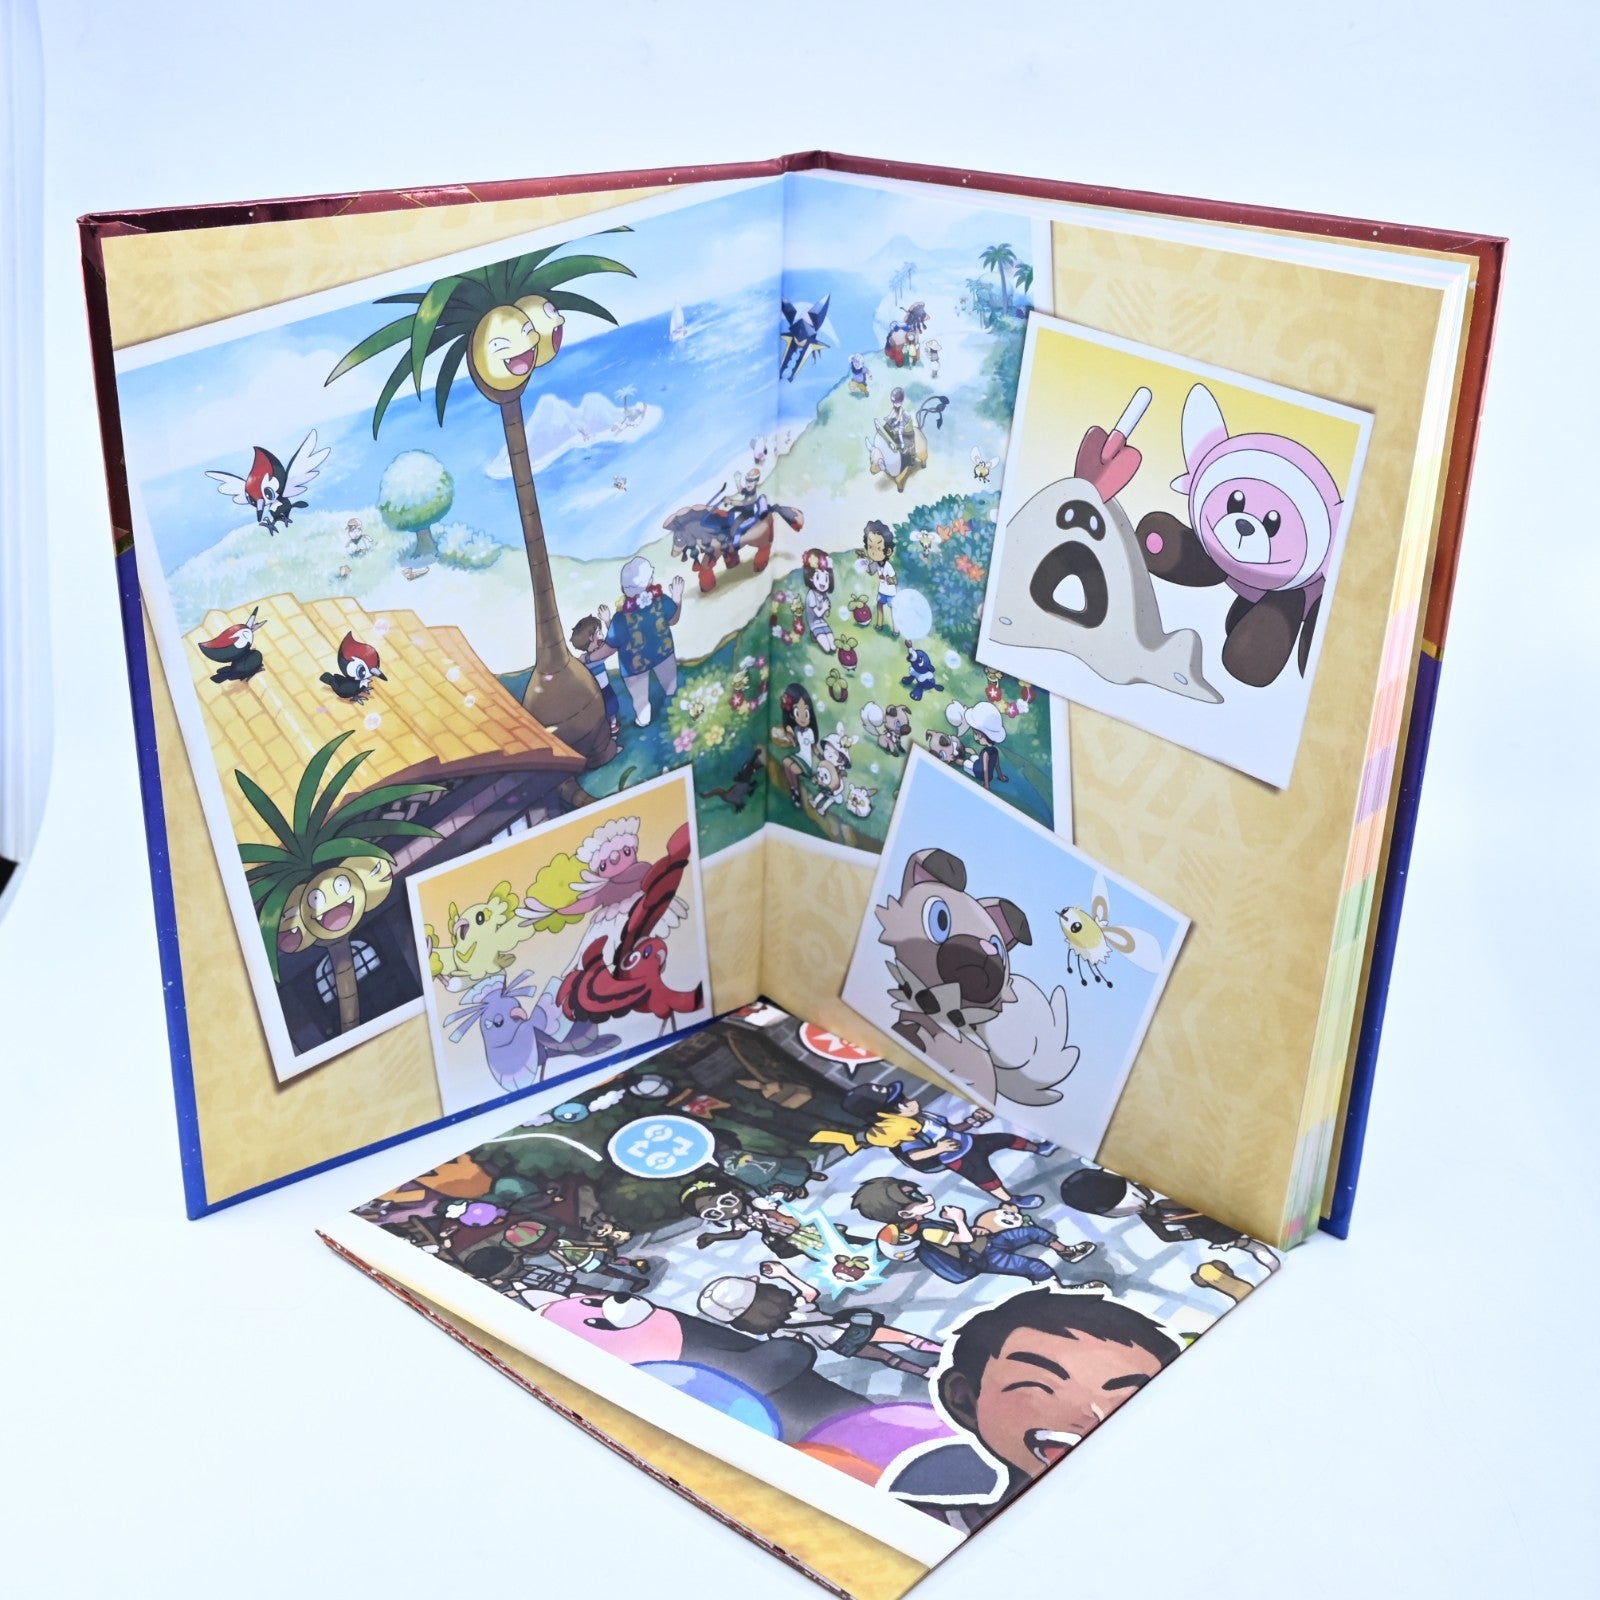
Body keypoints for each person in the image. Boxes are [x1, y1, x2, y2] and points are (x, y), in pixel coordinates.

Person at [697, 1261, 942, 1376]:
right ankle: (942, 1350)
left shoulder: (777, 1332)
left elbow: (797, 1344)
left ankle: (924, 1372)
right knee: (905, 1338)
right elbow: (810, 1292)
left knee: (886, 1358)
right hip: (849, 1329)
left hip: (837, 1345)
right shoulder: (797, 1306)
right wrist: (784, 1274)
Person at [1059, 1168, 1281, 1273]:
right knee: (1238, 1239)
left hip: (1233, 1203)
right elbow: (1165, 1236)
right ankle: (1257, 1249)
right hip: (1207, 1227)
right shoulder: (1150, 1213)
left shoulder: (1153, 1178)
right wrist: (1195, 1233)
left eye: (1134, 1200)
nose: (1138, 1208)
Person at [601, 557, 685, 727]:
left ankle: (643, 718)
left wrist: (607, 622)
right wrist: (677, 597)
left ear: (624, 589)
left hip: (634, 665)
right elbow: (673, 619)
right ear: (649, 582)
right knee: (671, 687)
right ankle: (673, 705)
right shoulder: (660, 600)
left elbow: (613, 643)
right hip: (663, 652)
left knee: (641, 701)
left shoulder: (620, 618)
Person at [570, 614, 621, 736]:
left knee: (611, 705)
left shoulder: (597, 654)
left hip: (605, 687)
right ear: (590, 638)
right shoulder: (584, 658)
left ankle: (613, 724)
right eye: (599, 632)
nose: (602, 635)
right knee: (600, 709)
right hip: (594, 691)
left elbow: (612, 645)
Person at [861, 520, 898, 632]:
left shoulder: (888, 566)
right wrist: (863, 562)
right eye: (870, 547)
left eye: (878, 548)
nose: (873, 552)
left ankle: (896, 629)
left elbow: (895, 580)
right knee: (879, 606)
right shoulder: (876, 564)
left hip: (891, 593)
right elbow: (870, 571)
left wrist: (887, 579)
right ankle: (879, 624)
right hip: (882, 592)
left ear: (888, 551)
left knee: (893, 610)